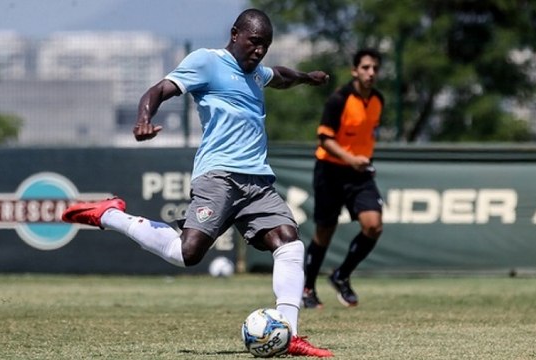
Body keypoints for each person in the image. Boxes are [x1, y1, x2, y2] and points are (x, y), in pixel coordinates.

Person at [62, 9, 333, 357]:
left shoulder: (256, 73)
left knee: (289, 244)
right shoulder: (207, 62)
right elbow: (158, 89)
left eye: (265, 45)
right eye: (254, 42)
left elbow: (280, 75)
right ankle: (110, 214)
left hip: (258, 182)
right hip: (218, 176)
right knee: (185, 253)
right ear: (235, 34)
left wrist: (307, 78)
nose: (259, 51)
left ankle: (289, 335)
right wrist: (144, 119)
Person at [302, 49, 384, 309]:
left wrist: (362, 160)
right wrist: (351, 159)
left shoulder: (378, 100)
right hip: (330, 170)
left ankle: (341, 274)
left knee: (373, 225)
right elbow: (324, 139)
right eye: (366, 67)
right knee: (325, 231)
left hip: (359, 172)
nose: (371, 73)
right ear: (355, 70)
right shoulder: (339, 99)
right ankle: (307, 289)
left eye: (375, 69)